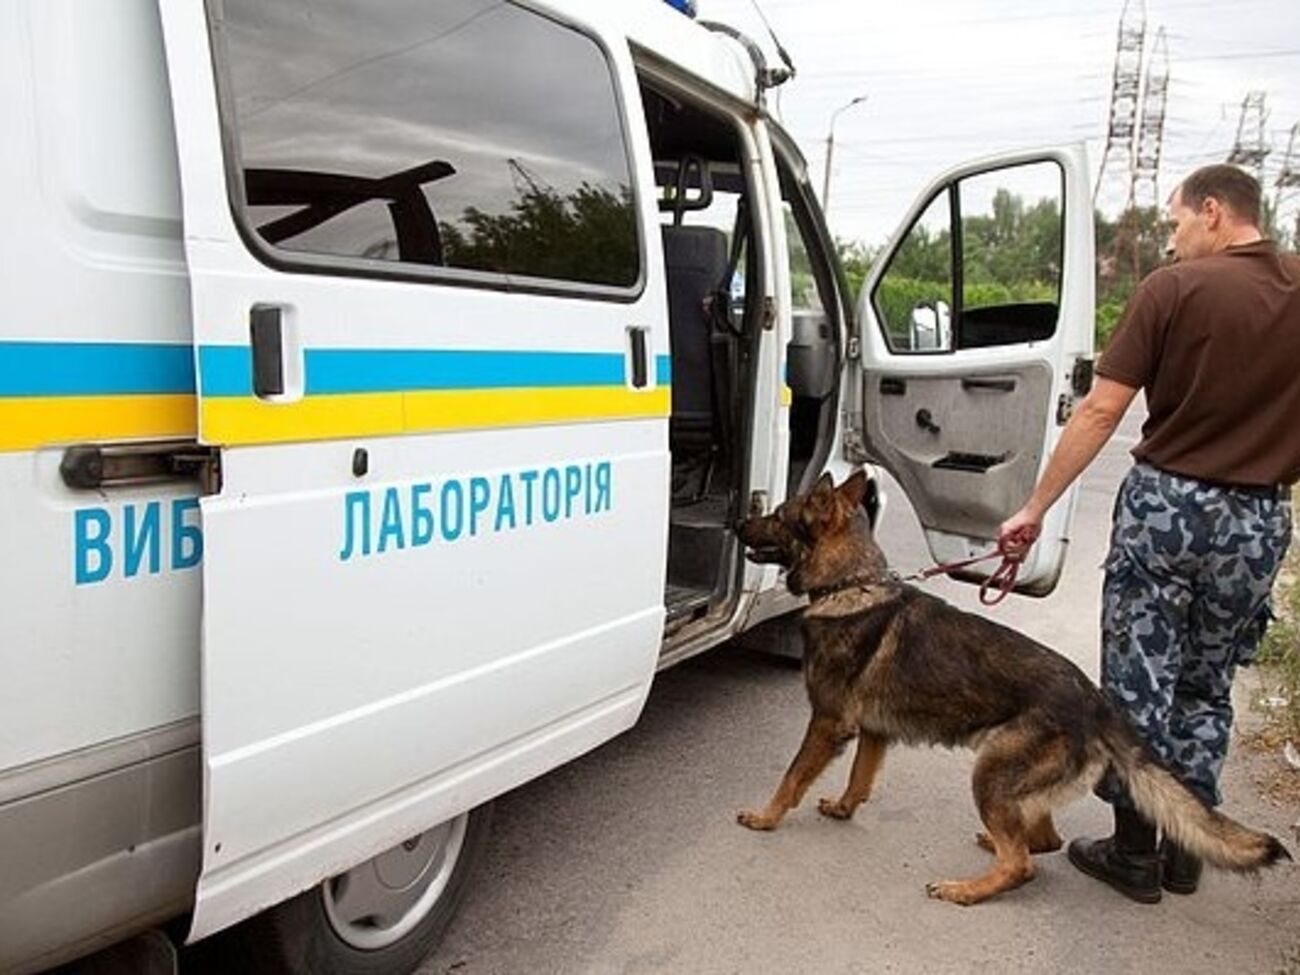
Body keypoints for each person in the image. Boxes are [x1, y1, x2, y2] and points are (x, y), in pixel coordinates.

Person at [998, 164, 1300, 903]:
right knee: (1206, 680)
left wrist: (1034, 505)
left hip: (1168, 509)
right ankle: (1188, 847)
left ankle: (1134, 850)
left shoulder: (1172, 290)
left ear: (1214, 211)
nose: (1173, 238)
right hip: (1258, 519)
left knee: (1138, 683)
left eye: (1176, 223)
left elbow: (1100, 411)